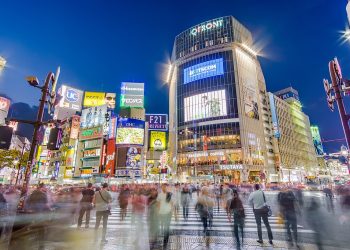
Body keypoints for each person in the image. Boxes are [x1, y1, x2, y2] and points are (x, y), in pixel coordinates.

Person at [157, 184, 173, 249]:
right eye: (163, 187)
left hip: (168, 213)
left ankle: (165, 241)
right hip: (161, 213)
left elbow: (172, 203)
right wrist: (158, 212)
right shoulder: (160, 195)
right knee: (163, 225)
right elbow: (158, 204)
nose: (164, 188)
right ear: (161, 188)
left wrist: (172, 211)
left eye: (165, 187)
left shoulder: (170, 194)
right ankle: (165, 236)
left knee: (167, 227)